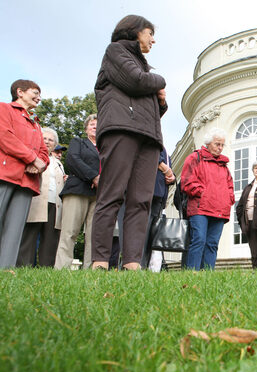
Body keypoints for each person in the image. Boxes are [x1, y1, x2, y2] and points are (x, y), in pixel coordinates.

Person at [91, 15, 168, 271]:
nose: (153, 40)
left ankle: (132, 262)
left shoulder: (143, 64)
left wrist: (161, 102)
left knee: (140, 201)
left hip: (148, 136)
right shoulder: (116, 51)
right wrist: (159, 81)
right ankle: (100, 260)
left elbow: (149, 107)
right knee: (111, 195)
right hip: (121, 130)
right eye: (149, 33)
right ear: (134, 31)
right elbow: (135, 81)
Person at [0, 79, 48, 268]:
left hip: (27, 180)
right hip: (4, 174)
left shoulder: (36, 123)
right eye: (35, 92)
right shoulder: (2, 108)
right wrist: (31, 158)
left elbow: (43, 152)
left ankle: (5, 270)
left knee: (15, 229)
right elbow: (3, 135)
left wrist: (39, 164)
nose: (38, 97)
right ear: (20, 92)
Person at [181, 128, 235, 270]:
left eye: (222, 145)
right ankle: (192, 274)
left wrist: (228, 199)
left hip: (220, 209)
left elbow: (230, 185)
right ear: (208, 143)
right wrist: (204, 193)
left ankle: (208, 276)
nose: (220, 148)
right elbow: (187, 181)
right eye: (217, 144)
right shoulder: (195, 158)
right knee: (198, 240)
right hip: (200, 208)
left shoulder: (224, 165)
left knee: (212, 243)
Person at [54, 114, 100, 270]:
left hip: (98, 194)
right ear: (86, 128)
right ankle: (62, 268)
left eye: (98, 125)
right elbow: (73, 160)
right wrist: (93, 176)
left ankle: (90, 269)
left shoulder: (106, 148)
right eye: (92, 124)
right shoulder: (78, 142)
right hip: (78, 190)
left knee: (94, 235)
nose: (95, 127)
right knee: (70, 231)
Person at [17, 127, 65, 267]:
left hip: (54, 203)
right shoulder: (32, 155)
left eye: (51, 140)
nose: (48, 142)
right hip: (36, 200)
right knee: (30, 234)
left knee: (51, 237)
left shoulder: (58, 162)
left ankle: (47, 267)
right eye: (45, 138)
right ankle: (23, 265)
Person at [140, 147, 175, 268]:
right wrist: (166, 170)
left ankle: (152, 266)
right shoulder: (152, 146)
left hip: (160, 196)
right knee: (143, 232)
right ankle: (140, 264)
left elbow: (168, 171)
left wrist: (172, 177)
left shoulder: (165, 151)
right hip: (148, 193)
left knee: (153, 234)